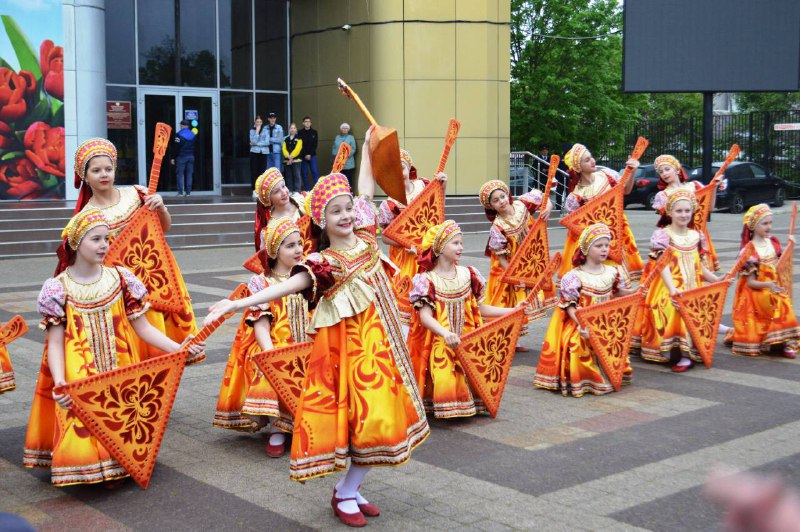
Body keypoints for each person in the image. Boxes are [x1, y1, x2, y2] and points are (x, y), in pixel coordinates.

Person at [204, 125, 428, 527]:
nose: (345, 214)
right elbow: (288, 286)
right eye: (335, 211)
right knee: (370, 421)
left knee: (383, 420)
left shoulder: (365, 237)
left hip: (384, 350)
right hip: (351, 359)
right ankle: (344, 493)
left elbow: (367, 192)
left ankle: (351, 490)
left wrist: (365, 147)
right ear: (321, 222)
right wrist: (236, 302)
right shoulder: (325, 263)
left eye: (347, 209)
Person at [23, 208, 204, 486]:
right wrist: (60, 380)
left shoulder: (120, 279)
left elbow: (142, 327)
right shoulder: (57, 288)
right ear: (76, 243)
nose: (104, 245)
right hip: (79, 369)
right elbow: (55, 342)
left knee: (121, 411)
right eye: (96, 239)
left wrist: (177, 347)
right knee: (84, 418)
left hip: (121, 364)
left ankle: (118, 464)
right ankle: (89, 468)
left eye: (106, 239)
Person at [61, 138, 202, 363]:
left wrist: (161, 207)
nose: (103, 174)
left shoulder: (136, 194)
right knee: (136, 345)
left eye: (108, 169)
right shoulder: (85, 217)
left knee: (159, 334)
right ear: (84, 176)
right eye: (96, 170)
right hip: (120, 287)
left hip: (154, 276)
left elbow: (163, 229)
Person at [407, 220, 525, 417]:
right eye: (455, 243)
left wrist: (512, 311)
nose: (461, 247)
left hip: (468, 341)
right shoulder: (426, 280)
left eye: (461, 242)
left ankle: (467, 404)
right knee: (444, 379)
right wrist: (445, 333)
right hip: (442, 341)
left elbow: (480, 307)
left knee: (472, 374)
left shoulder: (468, 274)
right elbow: (424, 317)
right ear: (439, 247)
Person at [214, 217, 310, 457]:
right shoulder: (262, 282)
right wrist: (270, 352)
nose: (298, 249)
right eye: (290, 245)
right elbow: (261, 323)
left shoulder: (309, 274)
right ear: (275, 251)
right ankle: (278, 428)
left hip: (308, 341)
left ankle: (308, 425)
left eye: (300, 243)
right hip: (276, 344)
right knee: (273, 373)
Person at [534, 223, 635, 397]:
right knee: (576, 344)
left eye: (606, 245)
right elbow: (569, 306)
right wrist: (583, 324)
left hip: (606, 324)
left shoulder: (613, 271)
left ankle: (610, 373)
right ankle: (585, 378)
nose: (604, 249)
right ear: (586, 249)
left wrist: (636, 292)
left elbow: (618, 293)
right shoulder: (574, 276)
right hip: (580, 323)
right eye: (599, 246)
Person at [632, 190, 728, 372]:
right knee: (669, 307)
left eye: (687, 211)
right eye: (679, 211)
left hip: (692, 286)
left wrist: (715, 279)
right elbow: (662, 265)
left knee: (693, 312)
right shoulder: (663, 235)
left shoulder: (695, 235)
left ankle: (685, 354)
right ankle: (671, 349)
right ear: (669, 212)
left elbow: (698, 265)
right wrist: (672, 289)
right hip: (668, 285)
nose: (683, 215)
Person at [480, 179, 553, 351]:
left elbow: (544, 196)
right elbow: (501, 257)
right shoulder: (497, 227)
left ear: (508, 195)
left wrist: (548, 209)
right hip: (507, 268)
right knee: (504, 302)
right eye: (496, 201)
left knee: (520, 303)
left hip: (531, 261)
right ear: (491, 206)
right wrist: (514, 276)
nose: (502, 202)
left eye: (502, 196)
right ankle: (500, 340)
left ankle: (512, 341)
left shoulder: (523, 204)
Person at [378, 149, 447, 330]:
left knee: (435, 293)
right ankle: (409, 340)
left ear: (409, 168)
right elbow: (385, 236)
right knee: (407, 299)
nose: (398, 173)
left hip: (430, 252)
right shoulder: (388, 204)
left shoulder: (424, 186)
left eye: (401, 168)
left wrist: (443, 186)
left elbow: (437, 212)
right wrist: (408, 243)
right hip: (405, 258)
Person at [559, 143, 643, 283]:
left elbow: (626, 191)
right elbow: (578, 228)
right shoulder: (575, 196)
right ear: (578, 167)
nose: (592, 161)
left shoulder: (606, 175)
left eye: (590, 157)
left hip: (616, 237)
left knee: (619, 282)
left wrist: (632, 171)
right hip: (596, 246)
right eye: (587, 160)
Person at [725, 204, 799, 358]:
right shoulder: (749, 251)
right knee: (779, 301)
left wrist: (790, 246)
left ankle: (783, 341)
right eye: (764, 223)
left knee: (780, 299)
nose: (769, 227)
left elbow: (780, 265)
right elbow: (751, 283)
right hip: (755, 292)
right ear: (753, 226)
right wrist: (768, 285)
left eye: (770, 222)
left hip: (771, 288)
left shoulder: (773, 242)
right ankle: (782, 343)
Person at [651, 154, 722, 271]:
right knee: (681, 271)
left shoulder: (695, 186)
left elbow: (710, 208)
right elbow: (666, 223)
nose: (664, 173)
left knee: (700, 273)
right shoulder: (663, 195)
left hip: (699, 233)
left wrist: (713, 187)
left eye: (667, 169)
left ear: (677, 169)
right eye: (661, 171)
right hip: (678, 237)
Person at [252, 167, 313, 255]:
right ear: (269, 199)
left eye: (283, 186)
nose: (284, 192)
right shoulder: (272, 228)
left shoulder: (303, 201)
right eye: (277, 191)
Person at [173, 119, 196, 196]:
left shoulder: (179, 134)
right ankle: (188, 192)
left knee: (180, 174)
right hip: (191, 156)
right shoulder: (193, 134)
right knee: (189, 174)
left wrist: (173, 157)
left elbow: (176, 147)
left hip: (181, 157)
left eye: (180, 125)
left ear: (182, 126)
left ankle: (180, 192)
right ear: (188, 126)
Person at [332, 123, 357, 192]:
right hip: (339, 163)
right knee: (340, 179)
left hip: (348, 163)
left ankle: (349, 193)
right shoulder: (337, 137)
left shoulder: (351, 137)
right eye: (343, 128)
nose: (345, 129)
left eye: (346, 128)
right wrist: (336, 156)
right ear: (341, 129)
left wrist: (345, 156)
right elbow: (334, 148)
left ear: (348, 129)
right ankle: (341, 192)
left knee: (348, 180)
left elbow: (354, 148)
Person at [249, 115, 269, 196]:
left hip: (263, 153)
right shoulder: (252, 131)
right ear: (255, 122)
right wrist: (257, 132)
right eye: (257, 122)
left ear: (262, 122)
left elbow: (267, 142)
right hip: (254, 153)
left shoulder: (266, 130)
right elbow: (252, 141)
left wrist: (256, 144)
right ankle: (254, 190)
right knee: (254, 171)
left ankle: (261, 189)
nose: (259, 123)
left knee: (262, 172)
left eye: (260, 122)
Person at [297, 116, 319, 190]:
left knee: (315, 172)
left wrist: (310, 154)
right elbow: (300, 145)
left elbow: (315, 145)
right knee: (304, 173)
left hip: (312, 156)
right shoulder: (300, 132)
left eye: (309, 121)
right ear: (303, 123)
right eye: (306, 121)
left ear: (311, 123)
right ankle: (307, 190)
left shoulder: (314, 132)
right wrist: (305, 154)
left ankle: (317, 189)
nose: (307, 123)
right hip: (303, 156)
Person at [282, 123, 303, 193]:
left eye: (294, 128)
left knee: (297, 176)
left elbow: (298, 149)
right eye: (291, 128)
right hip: (287, 161)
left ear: (296, 129)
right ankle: (290, 190)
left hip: (296, 160)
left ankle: (297, 191)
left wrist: (291, 157)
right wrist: (287, 156)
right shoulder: (286, 139)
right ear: (289, 129)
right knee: (288, 176)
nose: (292, 129)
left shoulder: (299, 139)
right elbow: (284, 149)